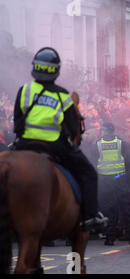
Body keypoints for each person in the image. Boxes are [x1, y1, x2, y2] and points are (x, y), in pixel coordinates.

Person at [12, 47, 107, 230]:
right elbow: (72, 128)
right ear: (56, 70)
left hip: (24, 145)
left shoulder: (25, 90)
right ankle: (91, 217)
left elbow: (17, 119)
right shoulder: (63, 95)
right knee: (88, 173)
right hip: (54, 147)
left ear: (35, 68)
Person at [96, 122, 129, 245]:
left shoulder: (98, 143)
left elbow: (93, 161)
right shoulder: (121, 142)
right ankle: (122, 233)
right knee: (121, 207)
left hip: (104, 181)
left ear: (106, 131)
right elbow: (128, 161)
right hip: (119, 179)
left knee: (108, 209)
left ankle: (109, 235)